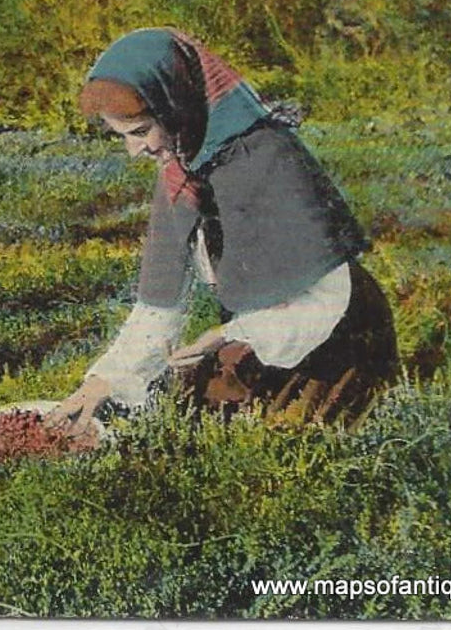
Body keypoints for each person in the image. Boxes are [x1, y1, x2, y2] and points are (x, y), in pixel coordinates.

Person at [46, 28, 398, 433]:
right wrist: (102, 381)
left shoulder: (265, 156)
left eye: (141, 132)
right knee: (194, 408)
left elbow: (324, 297)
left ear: (174, 105)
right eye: (122, 137)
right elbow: (160, 301)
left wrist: (225, 335)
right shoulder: (180, 167)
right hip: (259, 325)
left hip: (334, 328)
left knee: (286, 437)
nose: (134, 151)